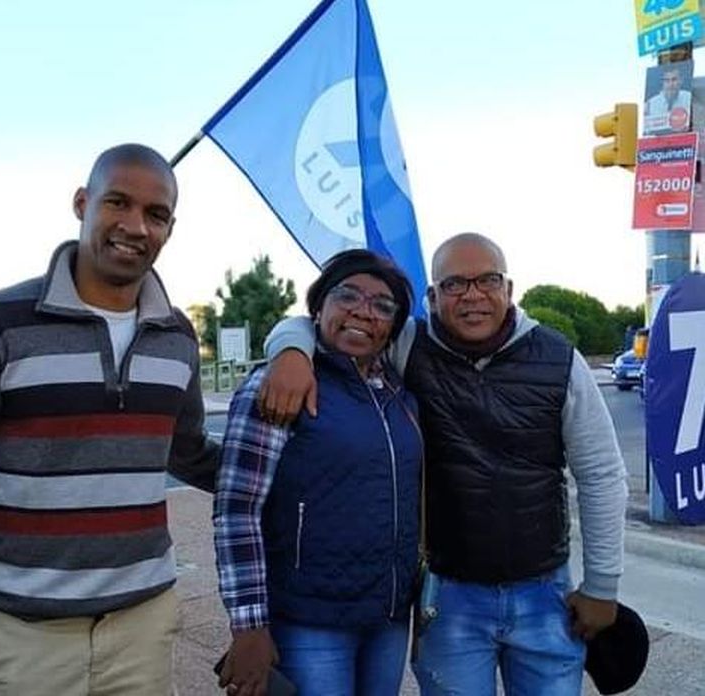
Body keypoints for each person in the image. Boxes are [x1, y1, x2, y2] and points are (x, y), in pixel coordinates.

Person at [0, 144, 220, 696]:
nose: (135, 226)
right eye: (118, 202)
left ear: (170, 228)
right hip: (24, 641)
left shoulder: (177, 336)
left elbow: (189, 453)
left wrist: (302, 461)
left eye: (155, 214)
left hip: (143, 631)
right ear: (82, 203)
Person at [260, 233, 628, 695]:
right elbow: (316, 324)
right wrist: (291, 352)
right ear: (433, 298)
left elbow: (601, 474)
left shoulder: (558, 358)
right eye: (454, 284)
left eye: (487, 281)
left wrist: (601, 585)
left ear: (509, 289)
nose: (472, 295)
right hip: (449, 594)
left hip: (543, 592)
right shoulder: (408, 345)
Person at [214, 250, 422, 696]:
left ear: (393, 327)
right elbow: (237, 510)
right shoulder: (280, 383)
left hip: (386, 616)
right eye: (347, 294)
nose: (363, 311)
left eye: (383, 306)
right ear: (319, 306)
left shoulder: (401, 395)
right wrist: (248, 624)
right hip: (312, 620)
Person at [644, 65, 692, 134]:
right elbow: (648, 132)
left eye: (674, 80)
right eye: (667, 80)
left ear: (681, 81)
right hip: (659, 142)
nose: (670, 84)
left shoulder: (688, 97)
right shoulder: (650, 104)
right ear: (663, 83)